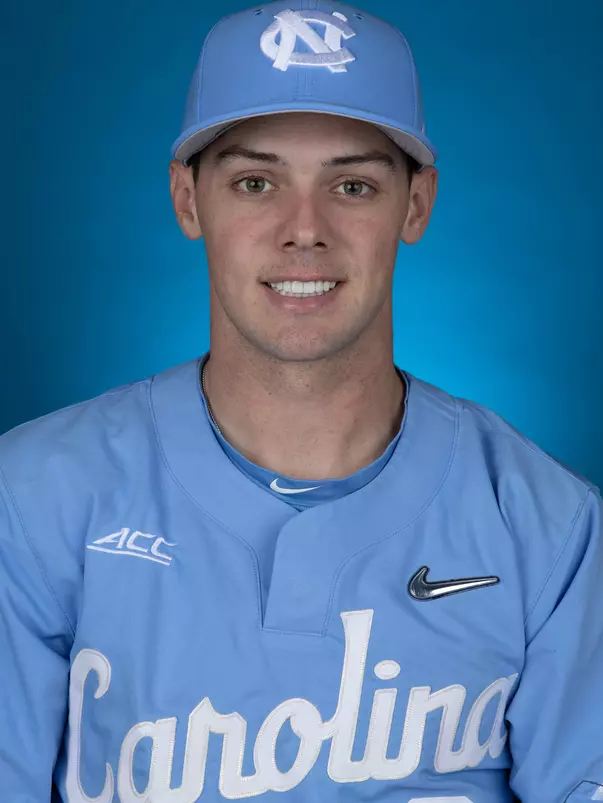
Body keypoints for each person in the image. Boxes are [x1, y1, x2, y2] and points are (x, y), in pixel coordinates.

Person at [1, 2, 602, 801]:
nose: (303, 230)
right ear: (187, 200)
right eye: (256, 182)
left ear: (415, 205)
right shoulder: (33, 497)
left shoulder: (550, 527)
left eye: (351, 185)